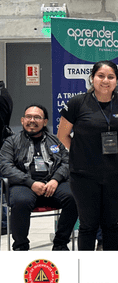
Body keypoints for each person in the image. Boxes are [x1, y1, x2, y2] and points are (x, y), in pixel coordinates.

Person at [58, 61, 118, 251]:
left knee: (111, 225)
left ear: (117, 80)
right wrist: (83, 152)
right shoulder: (77, 103)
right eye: (101, 76)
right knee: (88, 226)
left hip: (117, 173)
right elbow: (62, 136)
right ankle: (86, 271)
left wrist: (117, 151)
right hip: (84, 175)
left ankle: (109, 271)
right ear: (92, 78)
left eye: (111, 77)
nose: (105, 80)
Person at [0, 104, 77, 251]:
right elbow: (5, 167)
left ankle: (60, 243)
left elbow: (67, 162)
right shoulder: (11, 142)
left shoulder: (55, 141)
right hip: (24, 186)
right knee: (20, 201)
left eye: (37, 117)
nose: (32, 120)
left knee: (74, 196)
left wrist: (55, 179)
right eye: (28, 117)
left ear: (45, 121)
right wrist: (30, 182)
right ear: (22, 120)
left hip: (52, 185)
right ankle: (21, 247)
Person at [0, 80, 13, 236]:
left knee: (3, 186)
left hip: (1, 144)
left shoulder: (2, 95)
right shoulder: (4, 92)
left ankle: (4, 222)